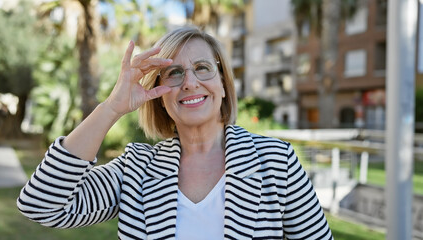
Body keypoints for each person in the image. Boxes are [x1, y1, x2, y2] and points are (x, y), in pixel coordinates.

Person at [17, 25, 333, 240]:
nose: (190, 82)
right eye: (174, 73)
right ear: (159, 95)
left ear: (223, 83)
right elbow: (42, 205)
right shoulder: (136, 168)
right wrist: (111, 108)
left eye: (203, 68)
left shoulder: (277, 161)